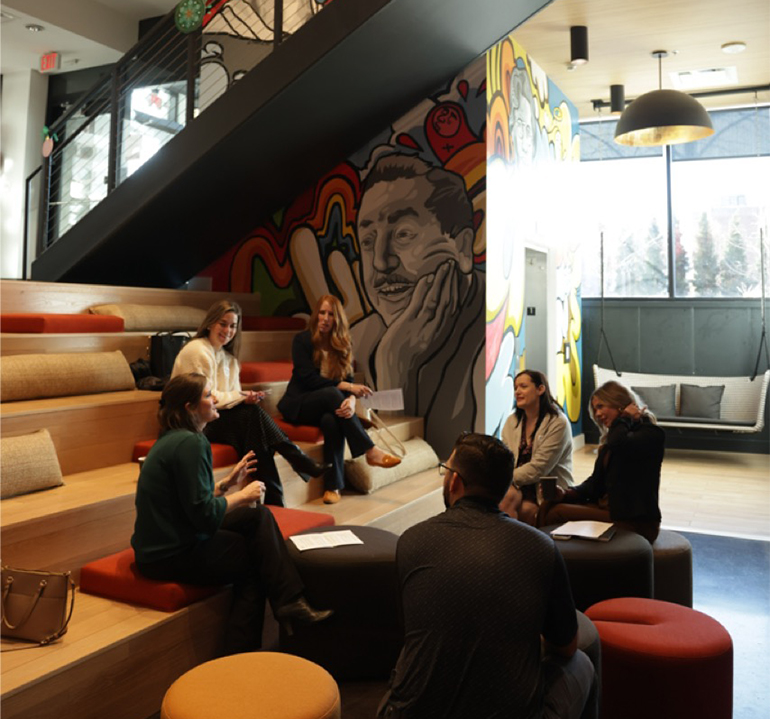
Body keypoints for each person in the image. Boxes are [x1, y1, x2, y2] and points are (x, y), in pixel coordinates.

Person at [378, 432, 594, 719]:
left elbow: (411, 629)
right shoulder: (540, 546)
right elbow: (565, 647)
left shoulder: (411, 540)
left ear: (454, 481)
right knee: (583, 663)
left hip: (406, 713)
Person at [131, 373, 332, 655]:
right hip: (169, 553)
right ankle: (242, 654)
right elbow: (203, 517)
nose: (215, 399)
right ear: (189, 407)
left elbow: (186, 501)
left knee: (257, 517)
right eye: (208, 395)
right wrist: (241, 495)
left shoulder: (174, 439)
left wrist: (225, 486)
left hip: (161, 544)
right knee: (254, 561)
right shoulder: (192, 443)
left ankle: (290, 602)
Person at [350, 153, 485, 459]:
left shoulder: (489, 338)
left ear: (462, 247)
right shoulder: (360, 340)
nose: (381, 262)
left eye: (403, 234)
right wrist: (392, 365)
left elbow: (452, 466)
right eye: (368, 241)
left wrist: (396, 364)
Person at [172, 300, 329, 507]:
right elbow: (207, 397)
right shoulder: (198, 350)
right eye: (223, 323)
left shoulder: (230, 359)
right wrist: (241, 397)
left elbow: (230, 396)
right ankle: (294, 463)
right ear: (210, 323)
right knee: (253, 417)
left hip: (217, 417)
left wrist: (245, 397)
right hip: (193, 419)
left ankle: (277, 494)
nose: (228, 330)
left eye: (233, 326)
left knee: (255, 426)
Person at [278, 294, 401, 504]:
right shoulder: (302, 340)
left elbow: (349, 379)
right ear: (316, 316)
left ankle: (333, 486)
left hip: (326, 406)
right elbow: (308, 379)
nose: (325, 318)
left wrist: (352, 400)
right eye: (322, 313)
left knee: (331, 420)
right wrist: (347, 388)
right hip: (299, 404)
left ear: (337, 319)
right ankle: (370, 450)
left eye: (331, 314)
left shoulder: (342, 344)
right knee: (333, 394)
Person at [543, 380, 664, 543]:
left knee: (556, 513)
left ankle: (544, 558)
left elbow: (620, 444)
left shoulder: (651, 434)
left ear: (619, 405)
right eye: (595, 409)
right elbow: (595, 483)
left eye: (600, 406)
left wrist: (623, 418)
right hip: (610, 510)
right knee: (548, 505)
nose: (597, 414)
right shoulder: (615, 438)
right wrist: (566, 493)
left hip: (636, 521)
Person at [499, 370, 574, 525]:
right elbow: (504, 458)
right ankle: (503, 543)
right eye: (515, 388)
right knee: (500, 501)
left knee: (524, 511)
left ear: (540, 389)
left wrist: (504, 478)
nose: (517, 391)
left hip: (543, 489)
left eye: (523, 386)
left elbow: (539, 468)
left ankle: (516, 545)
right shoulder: (511, 421)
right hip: (517, 484)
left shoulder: (557, 422)